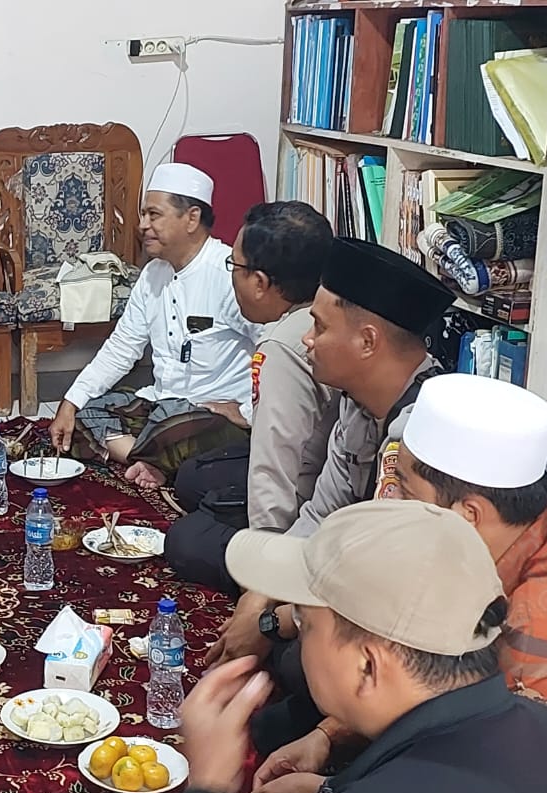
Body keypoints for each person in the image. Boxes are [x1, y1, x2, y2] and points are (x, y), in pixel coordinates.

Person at [152, 499, 547, 793]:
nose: (300, 638)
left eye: (306, 622)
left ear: (368, 666)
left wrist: (209, 791)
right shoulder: (546, 729)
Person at [241, 372, 547, 793]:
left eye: (406, 492)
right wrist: (326, 736)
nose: (392, 503)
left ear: (468, 514)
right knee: (281, 721)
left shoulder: (539, 631)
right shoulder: (480, 544)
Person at [209, 240, 454, 747]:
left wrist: (274, 622)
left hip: (403, 626)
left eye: (319, 327)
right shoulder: (359, 401)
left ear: (367, 341)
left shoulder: (424, 441)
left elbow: (380, 585)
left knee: (301, 659)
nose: (306, 340)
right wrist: (260, 593)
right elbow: (322, 512)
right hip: (346, 582)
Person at [47, 162, 261, 489]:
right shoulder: (152, 274)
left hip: (208, 415)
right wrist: (70, 402)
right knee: (87, 412)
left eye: (153, 215)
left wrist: (245, 411)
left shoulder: (228, 274)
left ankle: (149, 456)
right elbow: (121, 348)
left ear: (191, 218)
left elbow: (273, 350)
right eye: (143, 215)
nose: (142, 225)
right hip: (161, 404)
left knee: (176, 426)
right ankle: (153, 462)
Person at [164, 201, 336, 592]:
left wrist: (265, 563)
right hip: (319, 464)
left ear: (260, 282)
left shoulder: (283, 346)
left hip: (309, 492)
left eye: (235, 266)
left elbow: (276, 462)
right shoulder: (325, 312)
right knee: (193, 476)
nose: (232, 277)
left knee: (186, 540)